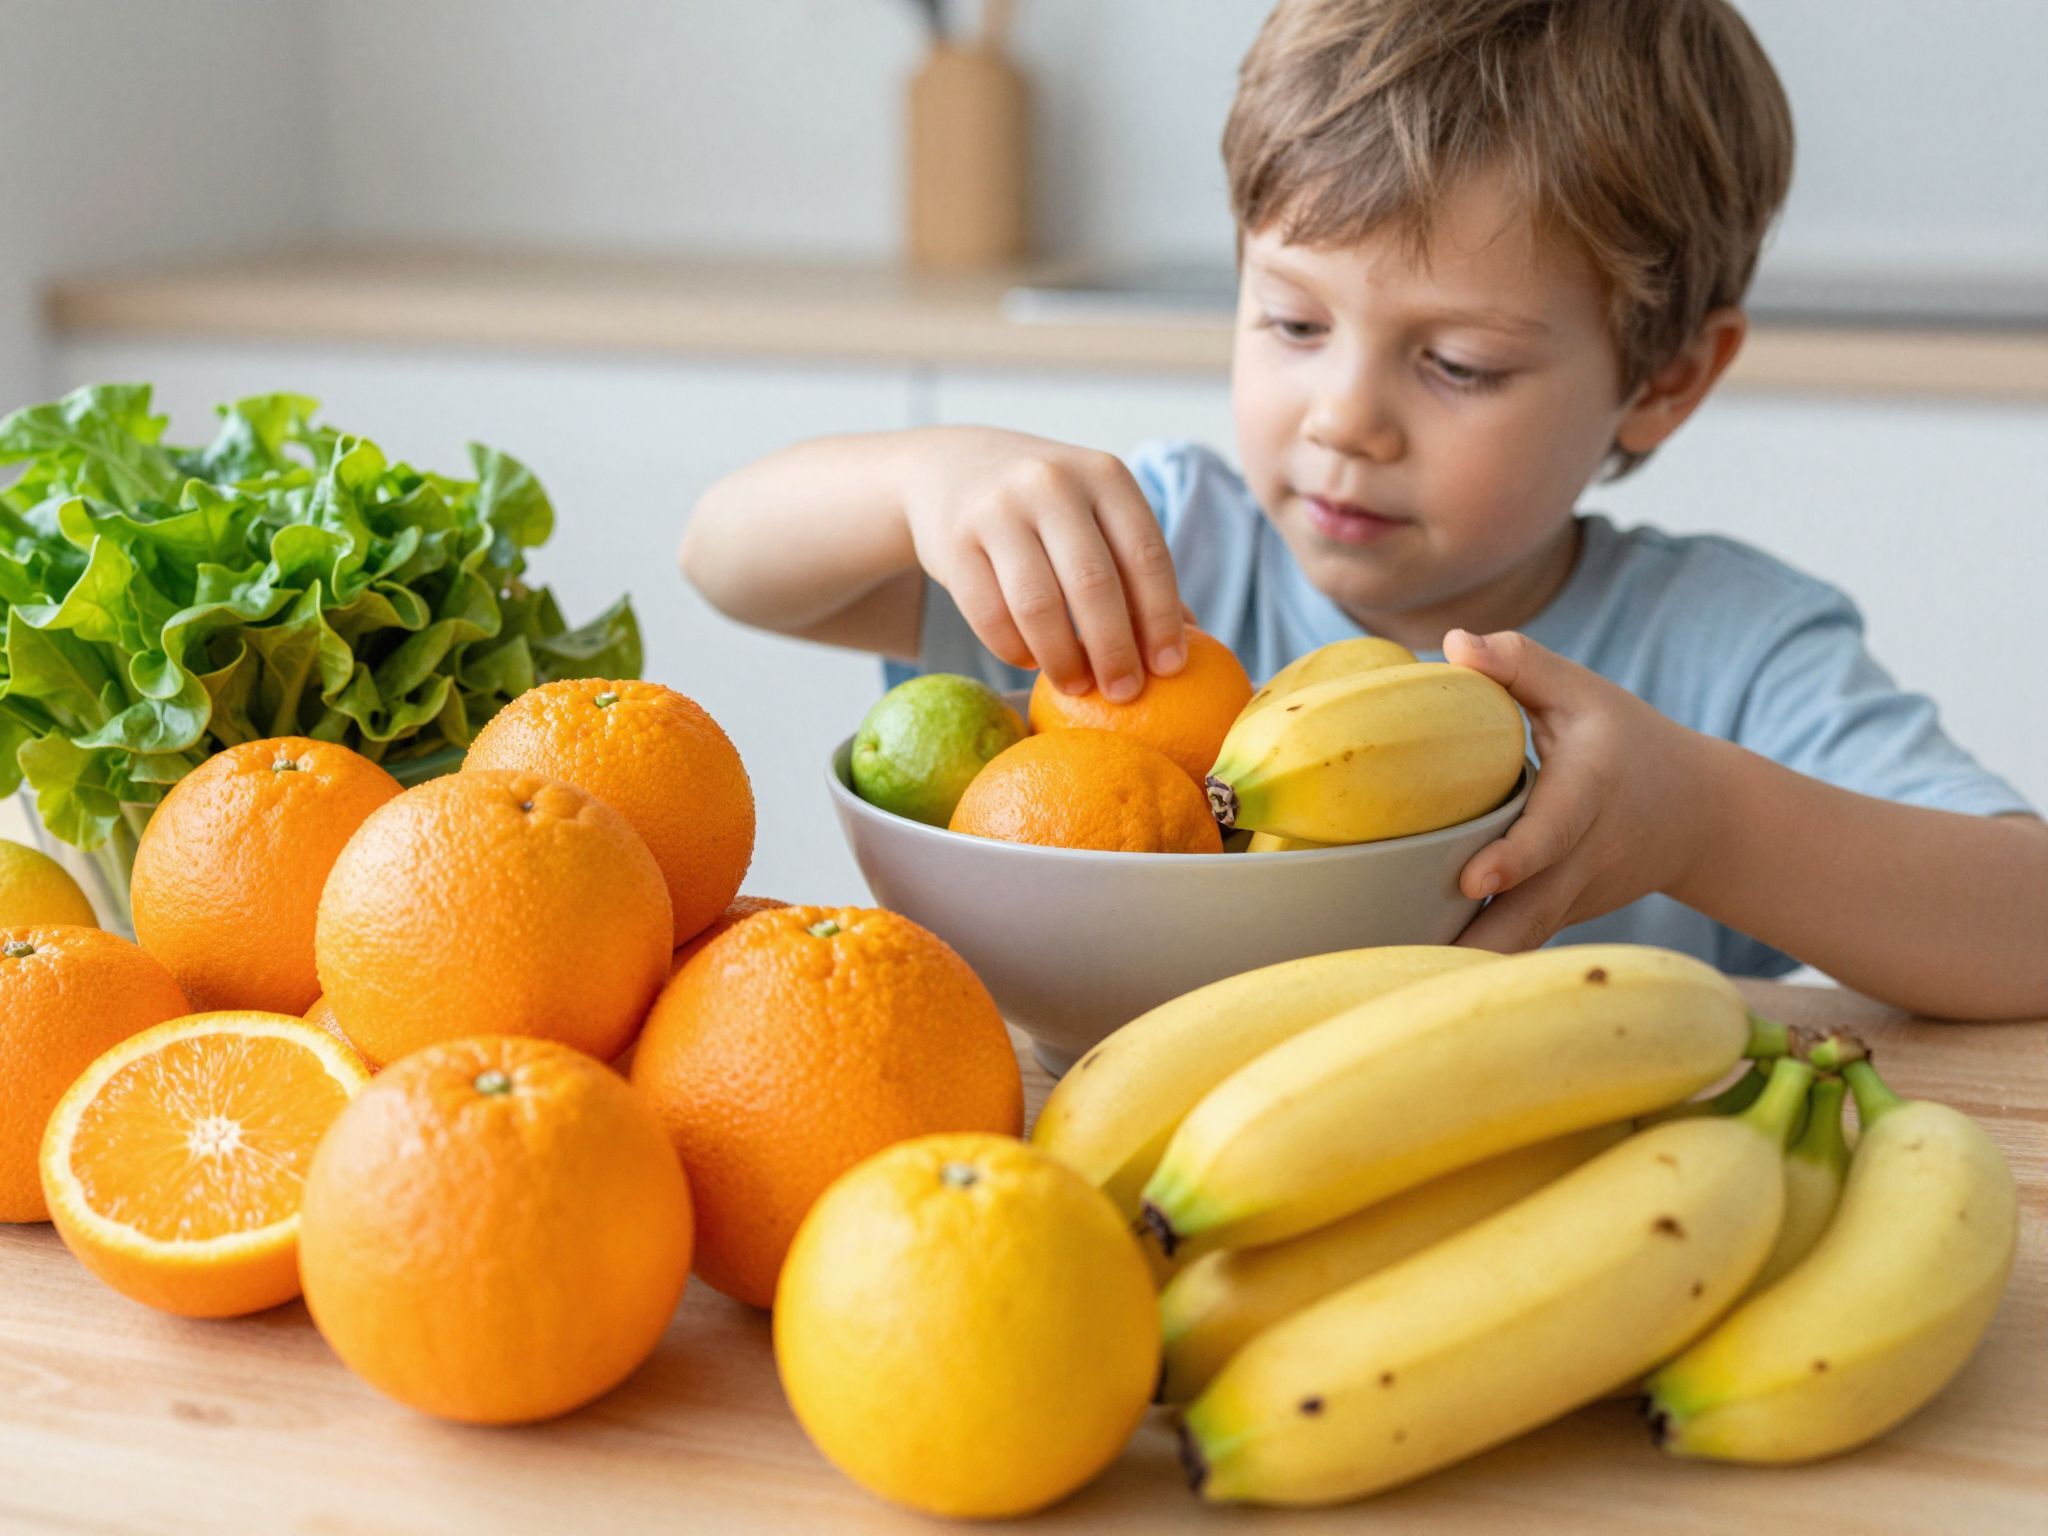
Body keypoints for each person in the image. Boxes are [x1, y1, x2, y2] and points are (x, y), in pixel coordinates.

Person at [681, 0, 2047, 1020]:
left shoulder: (1727, 648)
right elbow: (731, 564)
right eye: (1290, 320)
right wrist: (923, 478)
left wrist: (1704, 822)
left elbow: (2025, 923)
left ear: (1666, 380)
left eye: (1458, 363)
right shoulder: (1145, 562)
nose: (1346, 417)